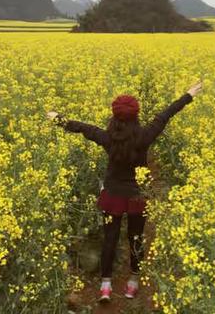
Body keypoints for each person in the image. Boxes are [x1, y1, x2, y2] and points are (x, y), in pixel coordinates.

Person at [46, 80, 203, 303]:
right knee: (136, 238)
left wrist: (58, 119)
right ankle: (133, 283)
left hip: (112, 195)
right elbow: (165, 115)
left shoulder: (108, 138)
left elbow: (84, 128)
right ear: (136, 116)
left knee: (110, 239)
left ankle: (105, 286)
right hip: (137, 195)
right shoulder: (145, 136)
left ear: (114, 116)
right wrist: (189, 95)